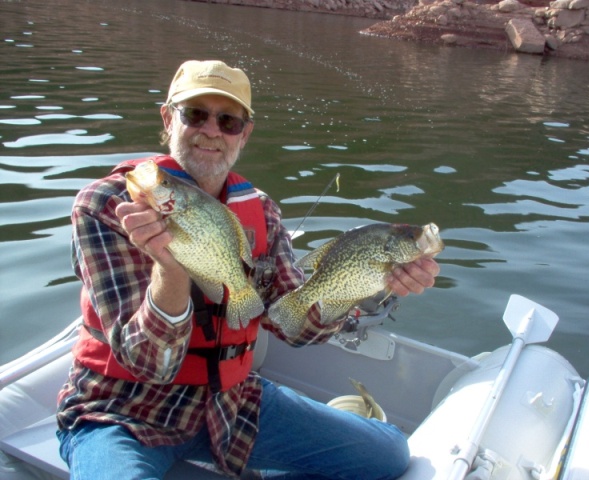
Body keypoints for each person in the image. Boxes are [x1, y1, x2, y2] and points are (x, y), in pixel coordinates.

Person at [56, 59, 441, 480]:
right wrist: (170, 269)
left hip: (230, 403)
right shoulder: (108, 204)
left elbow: (299, 325)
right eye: (196, 114)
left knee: (387, 454)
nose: (211, 130)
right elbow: (149, 364)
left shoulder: (260, 211)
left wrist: (371, 285)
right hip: (122, 410)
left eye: (229, 121)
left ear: (245, 134)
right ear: (168, 119)